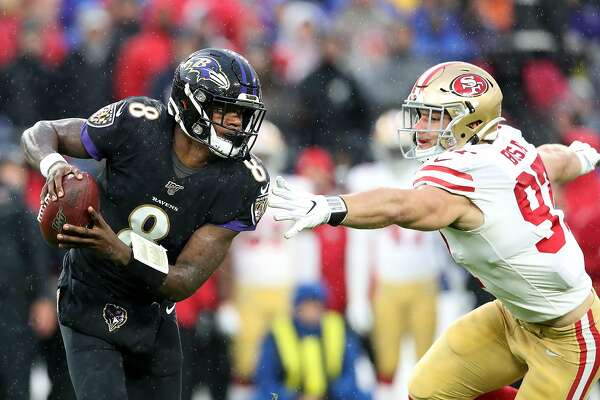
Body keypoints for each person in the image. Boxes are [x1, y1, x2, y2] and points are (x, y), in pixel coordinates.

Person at [269, 61, 600, 399]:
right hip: (511, 314)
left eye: (435, 116)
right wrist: (581, 158)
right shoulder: (503, 143)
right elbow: (550, 159)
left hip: (568, 334)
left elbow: (402, 206)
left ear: (471, 121)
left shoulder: (464, 180)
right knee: (428, 392)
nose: (421, 126)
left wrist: (331, 207)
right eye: (421, 114)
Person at [21, 47, 270, 400]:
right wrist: (54, 166)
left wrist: (122, 252)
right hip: (88, 295)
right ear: (191, 105)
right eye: (226, 111)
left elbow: (182, 281)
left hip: (153, 312)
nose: (236, 124)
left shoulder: (242, 182)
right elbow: (41, 132)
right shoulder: (138, 122)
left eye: (242, 115)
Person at [254, 282, 372, 400]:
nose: (311, 311)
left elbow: (350, 376)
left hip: (332, 396)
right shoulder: (278, 333)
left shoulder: (338, 329)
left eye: (315, 306)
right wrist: (292, 396)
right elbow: (267, 381)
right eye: (306, 306)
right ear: (296, 308)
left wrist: (330, 394)